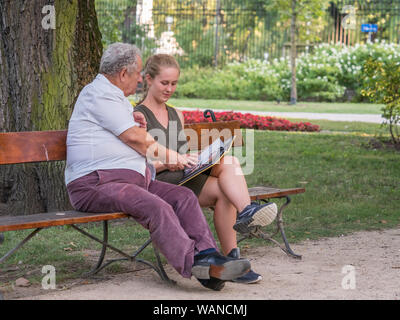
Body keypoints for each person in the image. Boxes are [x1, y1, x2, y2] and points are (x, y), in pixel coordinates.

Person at [64, 43, 252, 291]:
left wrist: (133, 119)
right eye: (138, 73)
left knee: (183, 197)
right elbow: (136, 139)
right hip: (96, 183)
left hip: (132, 181)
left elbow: (119, 133)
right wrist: (172, 156)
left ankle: (208, 255)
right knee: (157, 206)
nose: (141, 79)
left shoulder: (115, 98)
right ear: (123, 74)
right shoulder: (98, 94)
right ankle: (197, 264)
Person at [134, 54, 278, 284]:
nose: (169, 88)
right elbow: (139, 163)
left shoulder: (176, 114)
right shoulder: (138, 116)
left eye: (174, 83)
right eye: (164, 83)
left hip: (186, 175)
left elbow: (181, 151)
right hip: (162, 182)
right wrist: (174, 160)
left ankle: (233, 258)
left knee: (228, 173)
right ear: (149, 80)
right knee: (228, 170)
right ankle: (247, 213)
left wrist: (194, 159)